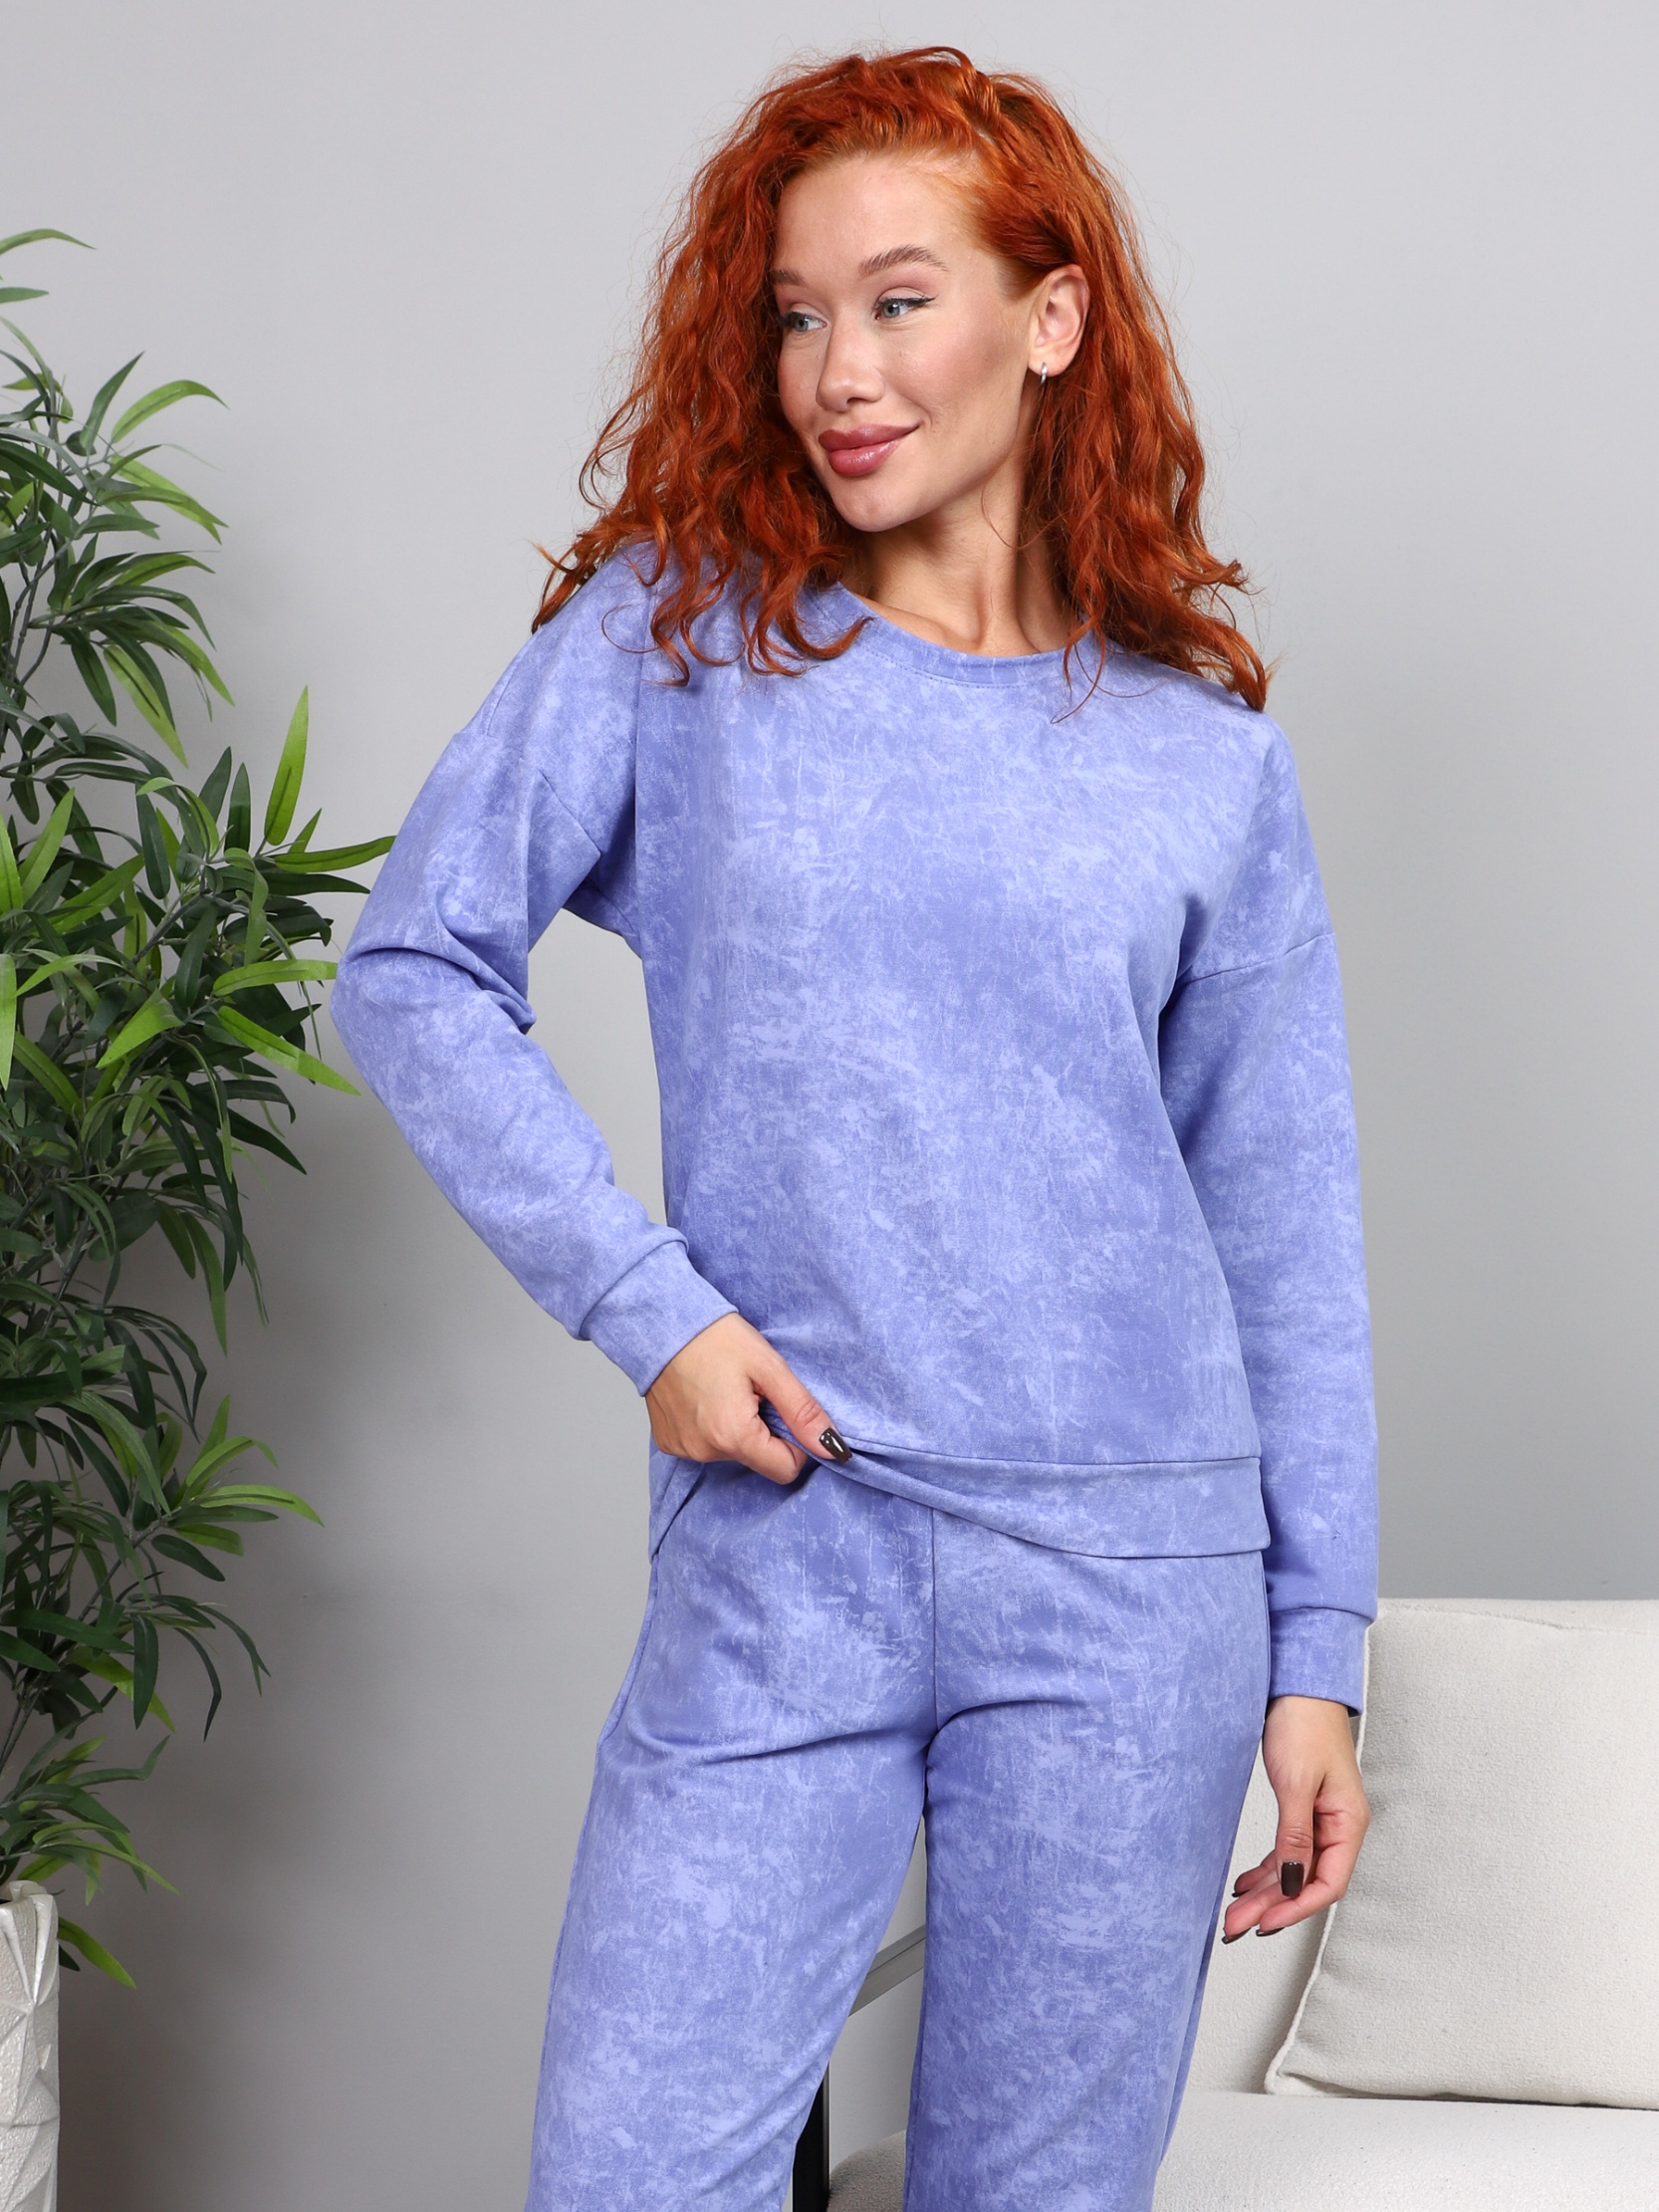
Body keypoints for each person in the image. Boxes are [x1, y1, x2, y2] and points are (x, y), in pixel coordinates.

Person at [333, 45, 1377, 2212]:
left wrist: (1312, 1657)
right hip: (787, 1533)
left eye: (899, 301)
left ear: (1050, 317)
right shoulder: (682, 645)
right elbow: (413, 964)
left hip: (1129, 1583)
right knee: (631, 2171)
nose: (837, 371)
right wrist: (650, 1312)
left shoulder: (1199, 761)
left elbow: (1279, 1227)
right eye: (797, 315)